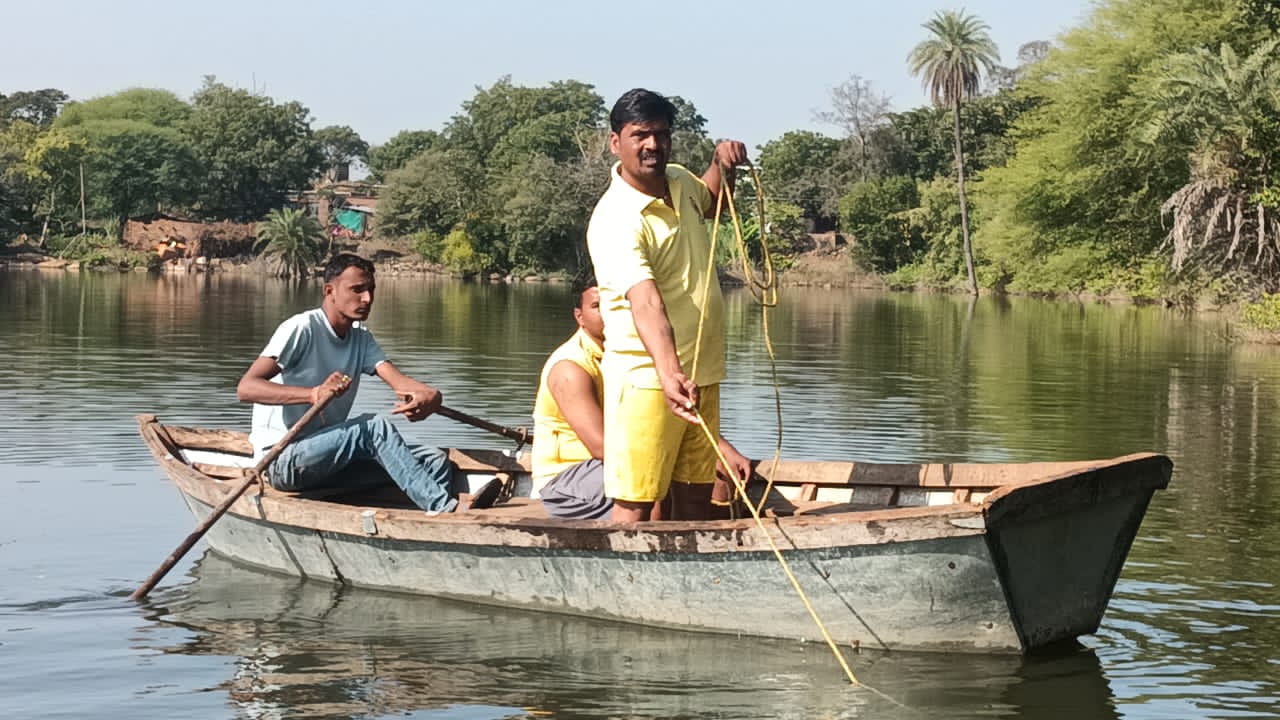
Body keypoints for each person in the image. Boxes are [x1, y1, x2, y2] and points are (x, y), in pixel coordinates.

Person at [586, 88, 749, 522]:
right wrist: (669, 371)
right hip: (647, 380)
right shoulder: (616, 218)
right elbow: (646, 302)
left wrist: (721, 164)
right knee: (637, 501)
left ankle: (681, 566)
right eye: (640, 135)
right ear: (615, 142)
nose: (653, 145)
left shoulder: (679, 180)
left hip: (702, 372)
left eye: (661, 134)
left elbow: (711, 201)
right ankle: (625, 566)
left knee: (695, 494)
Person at [237, 253, 496, 513]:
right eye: (357, 290)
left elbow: (399, 382)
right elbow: (246, 388)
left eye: (371, 289)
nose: (367, 299)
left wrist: (432, 396)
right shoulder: (302, 328)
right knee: (372, 427)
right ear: (330, 291)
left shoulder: (361, 338)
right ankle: (444, 508)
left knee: (433, 459)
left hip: (328, 462)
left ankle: (433, 521)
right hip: (282, 461)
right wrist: (313, 394)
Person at [531, 274, 751, 520]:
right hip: (568, 481)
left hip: (621, 462)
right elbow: (601, 447)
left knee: (711, 476)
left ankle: (693, 532)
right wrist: (666, 461)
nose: (608, 313)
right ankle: (655, 538)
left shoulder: (634, 356)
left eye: (614, 304)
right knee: (652, 480)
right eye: (597, 306)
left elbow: (670, 414)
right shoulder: (571, 369)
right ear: (579, 317)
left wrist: (720, 449)